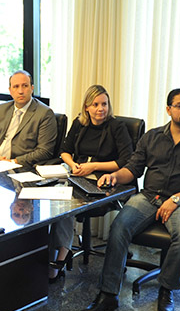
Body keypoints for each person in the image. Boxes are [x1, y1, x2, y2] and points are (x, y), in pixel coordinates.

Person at [80, 88, 180, 311]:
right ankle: (108, 294)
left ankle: (167, 290)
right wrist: (115, 176)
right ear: (168, 109)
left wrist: (176, 199)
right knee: (119, 227)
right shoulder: (152, 137)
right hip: (149, 197)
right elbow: (132, 169)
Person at [49, 85, 134, 283]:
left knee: (66, 206)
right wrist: (73, 165)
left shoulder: (117, 127)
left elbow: (125, 160)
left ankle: (61, 257)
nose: (100, 109)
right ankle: (49, 252)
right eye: (95, 104)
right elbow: (65, 150)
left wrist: (93, 166)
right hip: (78, 175)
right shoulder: (79, 123)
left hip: (105, 181)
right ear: (87, 107)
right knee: (55, 199)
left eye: (104, 104)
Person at [0, 70, 57, 167]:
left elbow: (44, 151)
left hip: (21, 167)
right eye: (16, 87)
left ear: (32, 88)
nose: (20, 91)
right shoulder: (3, 108)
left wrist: (13, 162)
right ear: (10, 90)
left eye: (25, 86)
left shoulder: (45, 113)